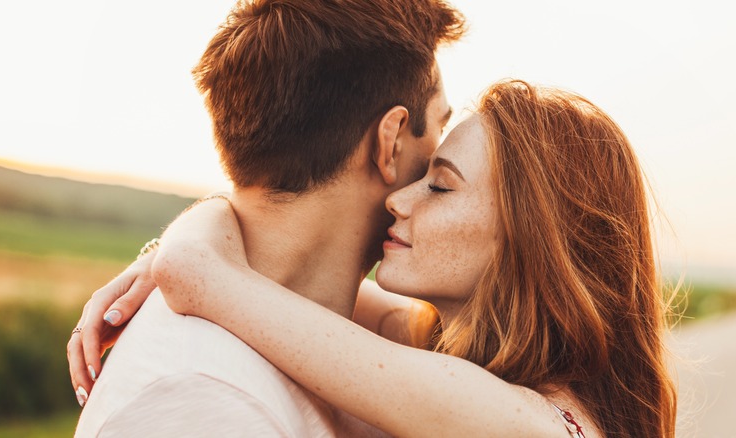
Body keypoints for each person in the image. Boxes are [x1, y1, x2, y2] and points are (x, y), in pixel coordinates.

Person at [71, 80, 678, 436]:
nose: (401, 197)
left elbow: (202, 276)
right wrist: (194, 236)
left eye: (440, 186)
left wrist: (177, 253)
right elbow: (279, 270)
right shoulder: (435, 349)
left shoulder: (521, 422)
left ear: (531, 240)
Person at [68, 0, 465, 436]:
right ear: (389, 141)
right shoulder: (201, 399)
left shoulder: (343, 345)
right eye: (439, 131)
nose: (437, 162)